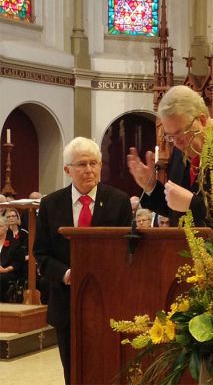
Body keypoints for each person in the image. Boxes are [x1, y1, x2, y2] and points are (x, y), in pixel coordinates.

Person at [33, 137, 132, 385]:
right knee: (74, 371)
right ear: (67, 170)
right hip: (66, 303)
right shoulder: (50, 204)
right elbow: (41, 253)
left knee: (108, 367)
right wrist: (67, 274)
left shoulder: (118, 201)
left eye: (93, 163)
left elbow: (126, 249)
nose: (89, 170)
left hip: (108, 300)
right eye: (81, 165)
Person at [128, 85, 213, 227]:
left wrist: (193, 204)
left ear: (202, 120)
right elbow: (175, 211)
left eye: (180, 133)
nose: (176, 143)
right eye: (170, 136)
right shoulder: (180, 150)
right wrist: (151, 187)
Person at [0, 215, 25, 302]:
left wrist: (6, 269)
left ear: (6, 227)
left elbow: (19, 262)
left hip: (9, 272)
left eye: (0, 226)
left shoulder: (14, 242)